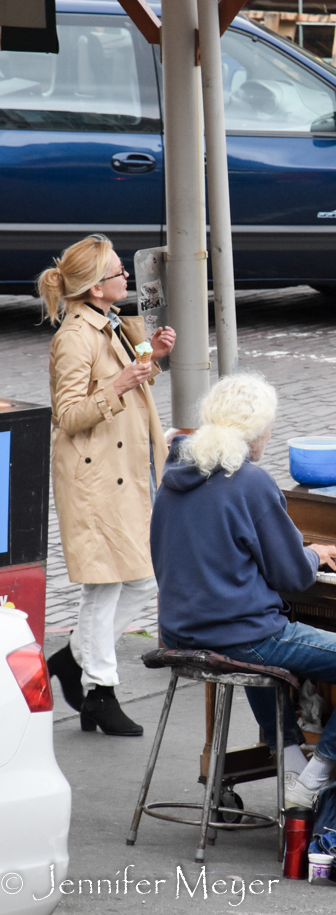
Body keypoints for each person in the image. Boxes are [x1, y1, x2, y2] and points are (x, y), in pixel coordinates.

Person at [150, 373, 336, 808]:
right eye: (267, 428)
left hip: (181, 634)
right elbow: (293, 577)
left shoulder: (173, 478)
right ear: (255, 434)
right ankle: (314, 777)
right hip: (238, 638)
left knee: (254, 645)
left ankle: (286, 757)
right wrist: (312, 554)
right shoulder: (250, 482)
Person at [38, 234, 176, 737]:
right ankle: (99, 689)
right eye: (119, 272)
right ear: (96, 287)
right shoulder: (74, 336)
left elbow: (128, 370)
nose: (126, 278)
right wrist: (119, 386)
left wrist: (152, 355)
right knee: (105, 584)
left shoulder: (111, 322)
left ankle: (74, 660)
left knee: (142, 578)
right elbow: (69, 414)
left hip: (123, 474)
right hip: (93, 479)